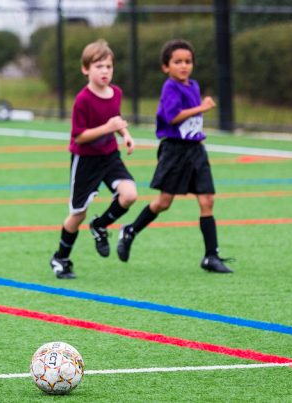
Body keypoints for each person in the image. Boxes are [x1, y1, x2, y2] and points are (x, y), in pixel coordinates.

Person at [117, 39, 233, 273]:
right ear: (166, 67)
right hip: (174, 151)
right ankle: (130, 230)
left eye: (188, 61)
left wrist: (198, 116)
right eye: (177, 62)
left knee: (207, 200)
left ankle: (211, 256)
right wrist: (201, 108)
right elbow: (172, 117)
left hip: (196, 150)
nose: (184, 66)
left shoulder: (194, 85)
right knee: (164, 202)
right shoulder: (170, 87)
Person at [49, 39, 136, 279]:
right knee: (78, 214)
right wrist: (108, 128)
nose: (105, 71)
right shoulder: (83, 100)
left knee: (130, 194)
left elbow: (116, 119)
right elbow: (80, 136)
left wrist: (125, 135)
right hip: (86, 160)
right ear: (85, 69)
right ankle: (60, 258)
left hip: (110, 156)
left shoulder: (116, 93)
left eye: (108, 66)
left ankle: (100, 226)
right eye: (99, 66)